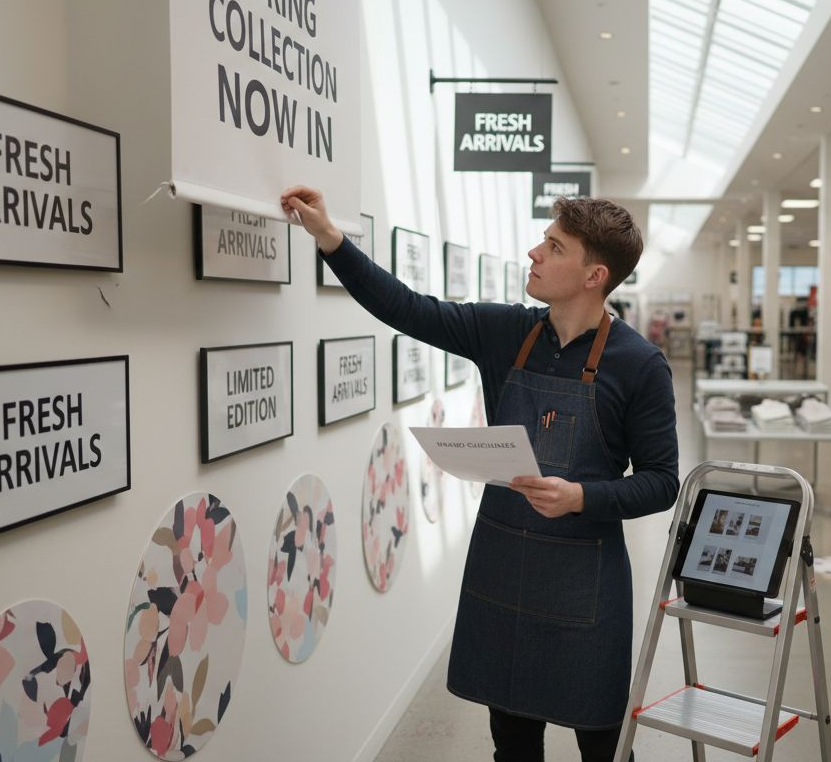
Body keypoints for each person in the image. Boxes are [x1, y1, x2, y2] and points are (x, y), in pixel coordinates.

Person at [280, 186, 679, 762]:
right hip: (503, 567)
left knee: (604, 745)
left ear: (594, 275)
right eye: (543, 240)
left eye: (554, 246)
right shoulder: (507, 333)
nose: (533, 253)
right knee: (512, 747)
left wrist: (580, 497)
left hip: (584, 581)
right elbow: (407, 307)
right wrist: (329, 238)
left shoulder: (639, 365)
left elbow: (663, 481)